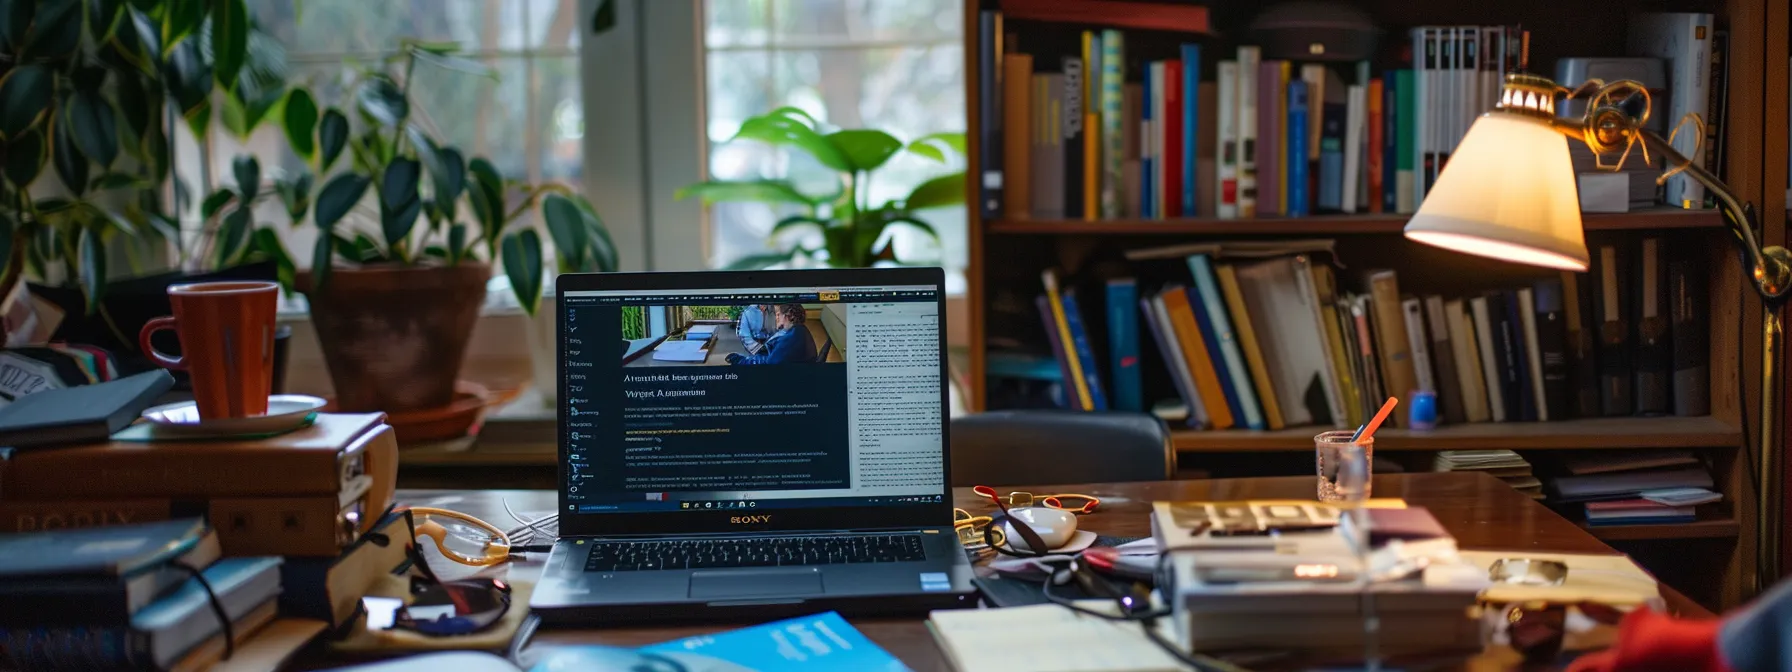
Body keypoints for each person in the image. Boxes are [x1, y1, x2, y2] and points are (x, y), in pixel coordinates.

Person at [726, 303, 818, 365]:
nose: (776, 317)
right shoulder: (800, 331)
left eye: (779, 314)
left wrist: (741, 361)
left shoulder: (789, 340)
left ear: (790, 315)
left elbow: (768, 364)